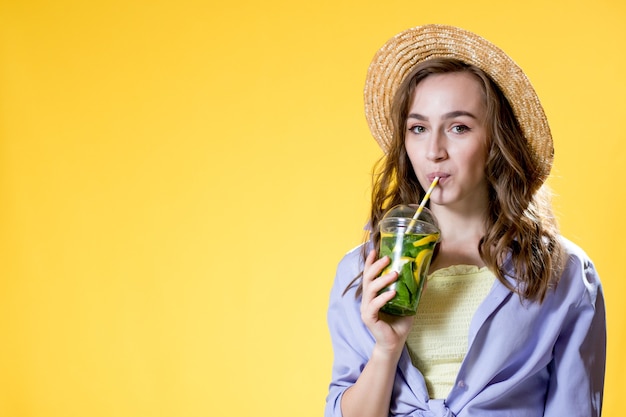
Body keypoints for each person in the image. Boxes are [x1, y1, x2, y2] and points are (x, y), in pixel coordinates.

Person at [325, 24, 606, 417]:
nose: (434, 151)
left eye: (459, 127)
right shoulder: (363, 271)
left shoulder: (563, 273)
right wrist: (387, 348)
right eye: (418, 128)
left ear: (496, 141)